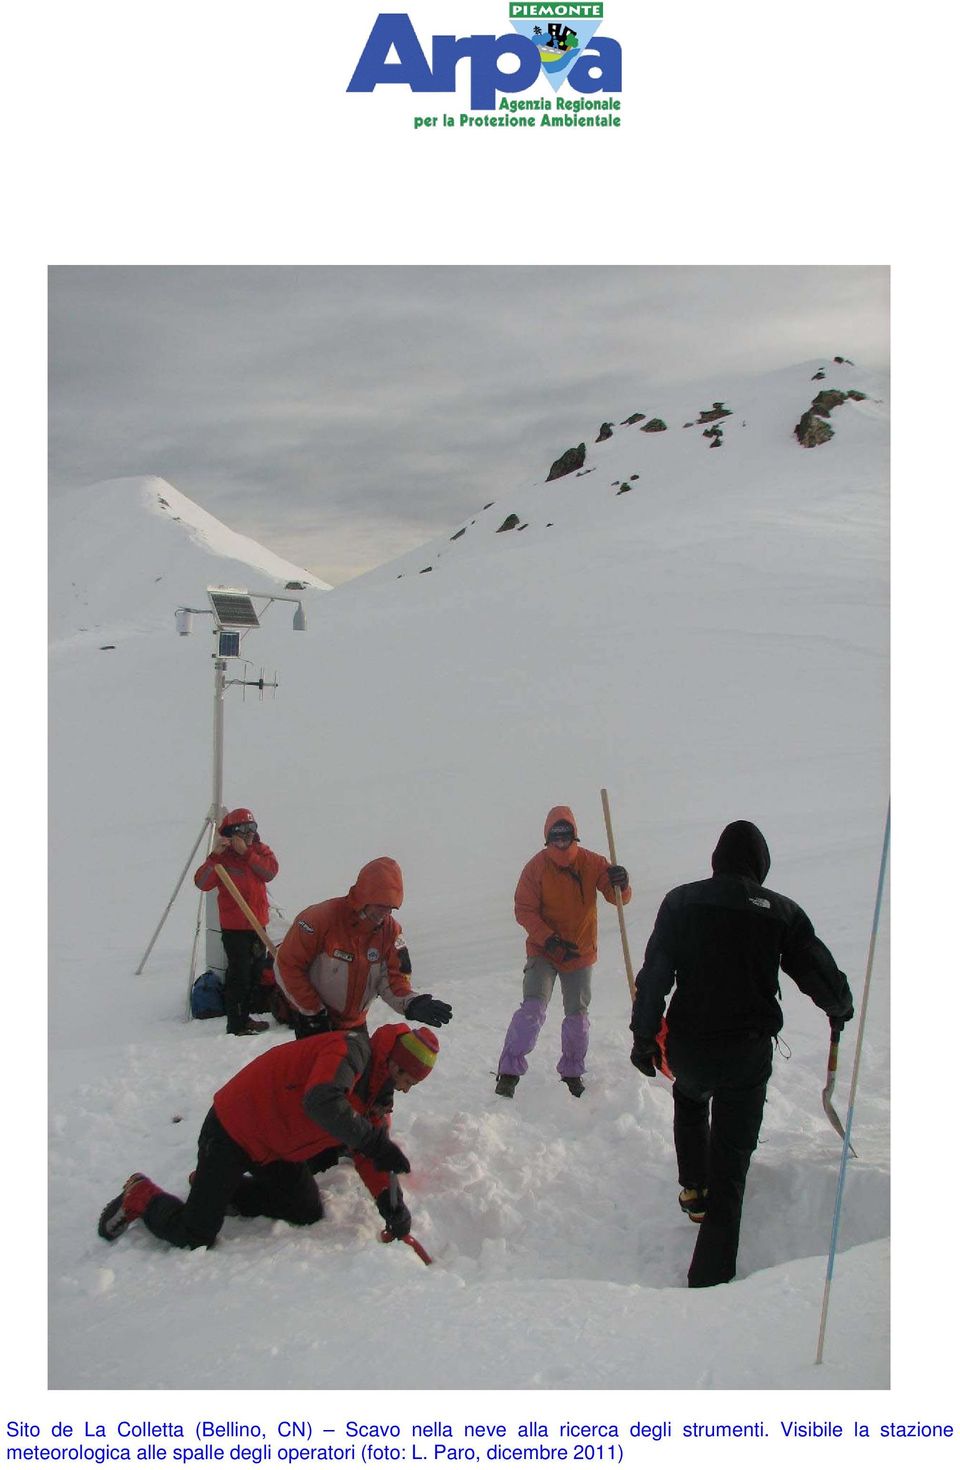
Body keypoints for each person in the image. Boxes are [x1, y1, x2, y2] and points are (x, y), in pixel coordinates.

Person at [629, 819, 854, 1289]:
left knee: (690, 1100)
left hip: (688, 1046)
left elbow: (654, 975)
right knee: (731, 1166)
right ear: (759, 865)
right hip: (745, 1055)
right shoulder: (780, 911)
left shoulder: (681, 901)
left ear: (717, 859)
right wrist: (840, 1006)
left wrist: (644, 1034)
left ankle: (693, 1189)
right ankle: (711, 1280)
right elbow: (815, 968)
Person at [97, 1022, 439, 1249]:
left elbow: (369, 1152)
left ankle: (217, 1185)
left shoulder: (377, 1095)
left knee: (305, 1211)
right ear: (397, 1066)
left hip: (275, 1150)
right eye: (410, 1081)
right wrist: (374, 1142)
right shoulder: (350, 1051)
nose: (407, 1090)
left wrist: (392, 1208)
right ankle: (140, 1195)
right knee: (196, 1234)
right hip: (234, 1129)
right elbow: (322, 1101)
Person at [495, 806, 631, 1098]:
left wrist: (621, 881)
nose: (560, 841)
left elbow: (616, 897)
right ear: (547, 838)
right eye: (555, 836)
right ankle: (508, 1071)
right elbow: (524, 909)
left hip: (579, 952)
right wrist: (548, 939)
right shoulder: (536, 868)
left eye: (565, 834)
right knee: (533, 1008)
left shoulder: (593, 862)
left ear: (574, 835)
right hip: (544, 950)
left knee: (577, 1017)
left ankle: (572, 1072)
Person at [274, 856, 452, 1037]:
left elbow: (394, 980)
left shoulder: (391, 932)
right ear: (364, 897)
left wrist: (412, 1003)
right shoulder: (319, 919)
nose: (386, 913)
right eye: (381, 905)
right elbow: (287, 965)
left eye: (391, 908)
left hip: (355, 1025)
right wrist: (313, 1012)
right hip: (315, 1022)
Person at [194, 808, 279, 1036]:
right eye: (245, 831)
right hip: (235, 929)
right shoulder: (222, 859)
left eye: (253, 830)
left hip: (258, 925)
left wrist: (248, 854)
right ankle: (236, 1024)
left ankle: (246, 1016)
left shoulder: (260, 852)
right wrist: (214, 857)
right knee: (239, 975)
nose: (250, 835)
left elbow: (270, 872)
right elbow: (202, 883)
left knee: (256, 973)